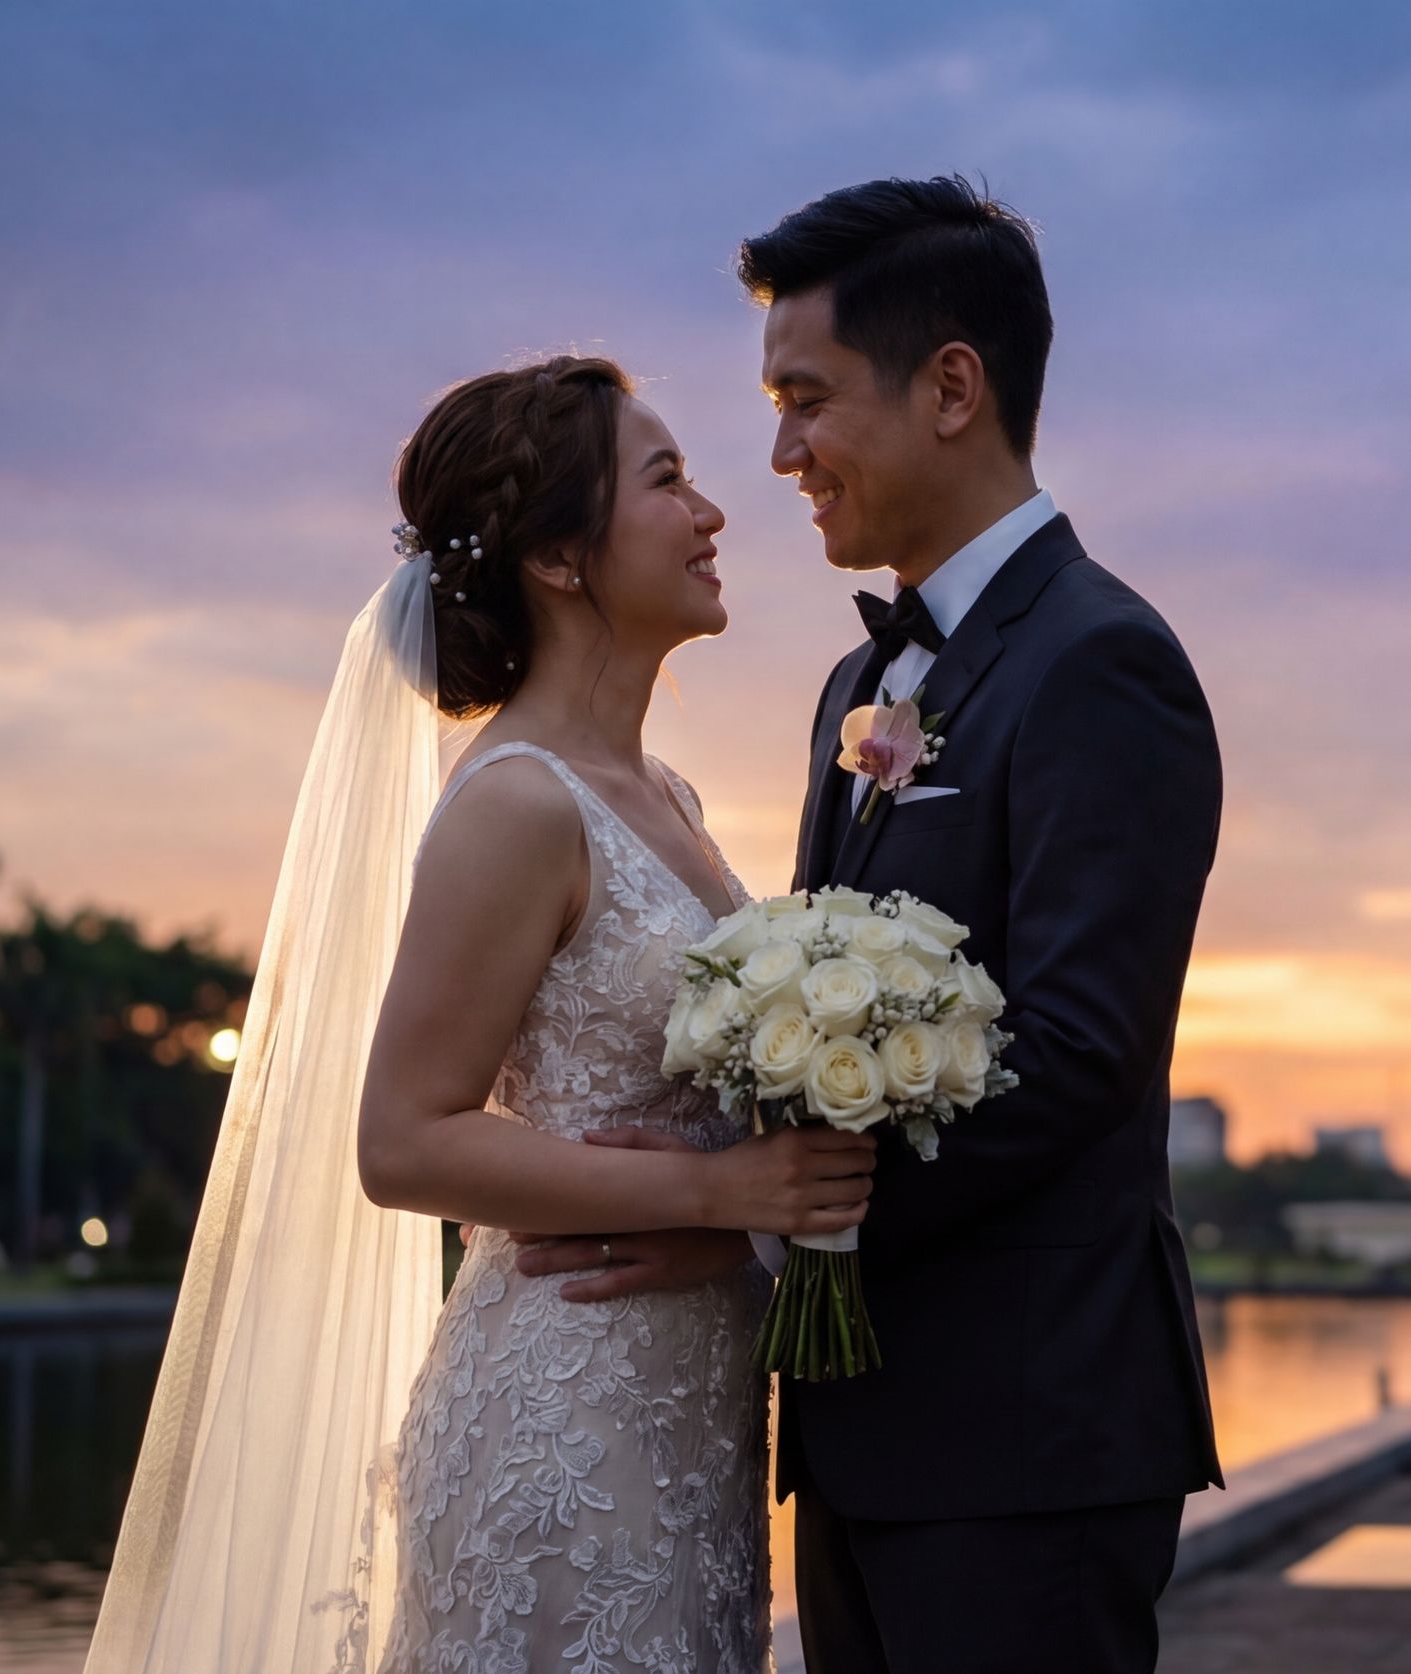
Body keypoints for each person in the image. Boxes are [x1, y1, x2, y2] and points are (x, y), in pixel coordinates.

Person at [530, 176, 1227, 1674]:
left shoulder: (1105, 663)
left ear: (952, 389)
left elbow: (1079, 1054)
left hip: (1030, 1438)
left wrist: (766, 1210)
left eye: (806, 399)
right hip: (858, 1433)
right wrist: (731, 1187)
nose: (778, 453)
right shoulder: (860, 695)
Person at [85, 356, 878, 1673]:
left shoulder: (667, 796)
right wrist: (721, 1191)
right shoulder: (518, 800)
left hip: (687, 1420)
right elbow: (403, 1139)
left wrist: (747, 1218)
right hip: (561, 1430)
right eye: (670, 479)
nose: (714, 513)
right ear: (562, 556)